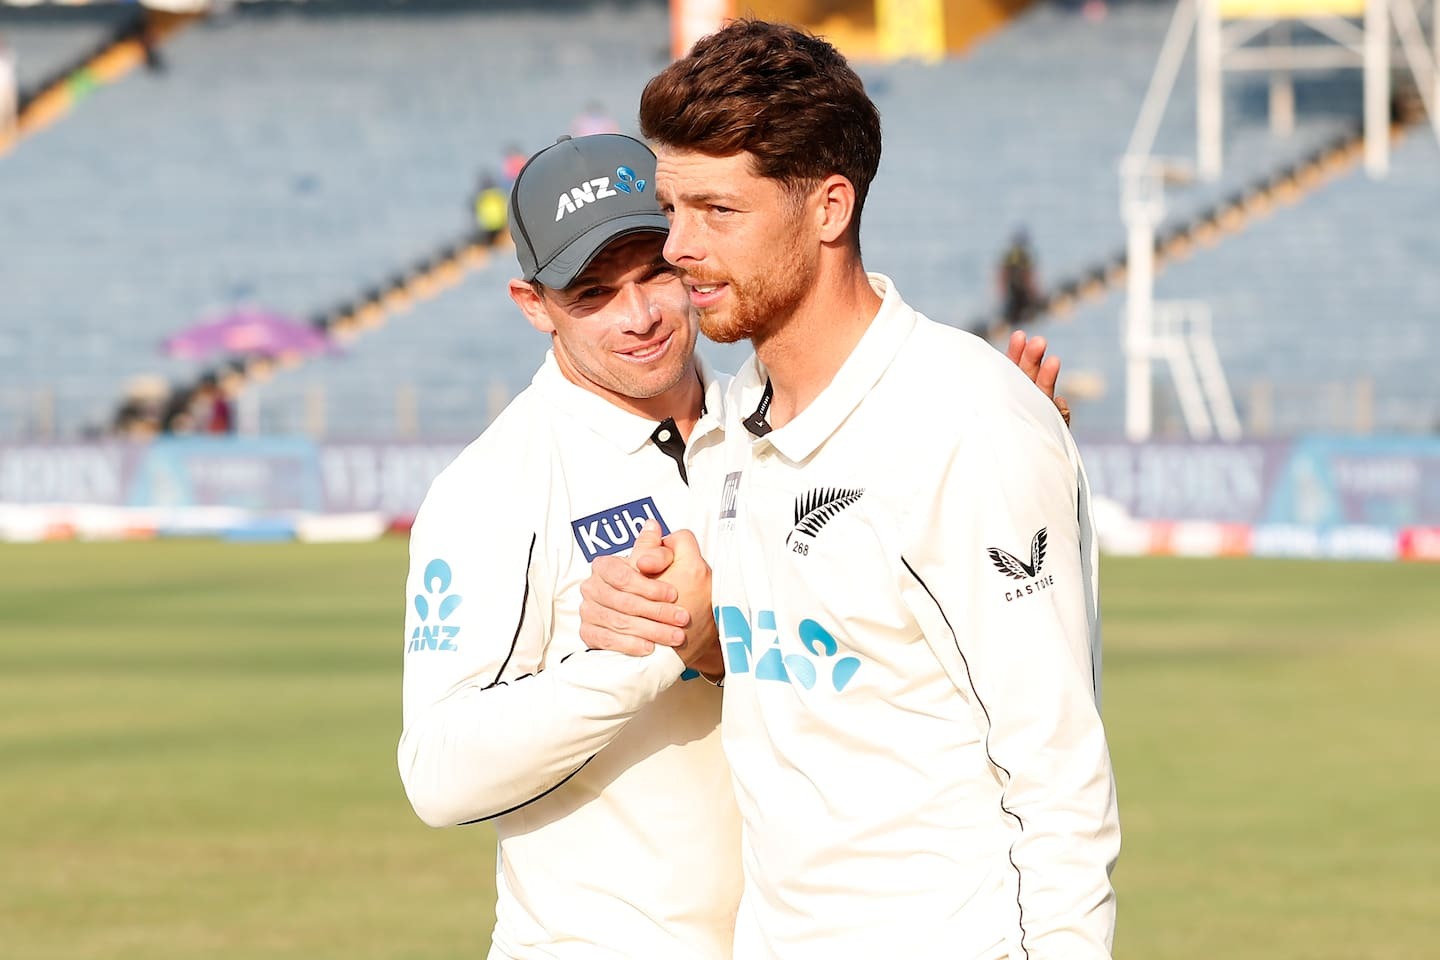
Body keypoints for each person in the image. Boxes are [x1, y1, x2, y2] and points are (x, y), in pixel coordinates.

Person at [397, 134, 1075, 959]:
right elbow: (437, 774)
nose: (640, 315)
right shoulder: (496, 485)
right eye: (593, 293)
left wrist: (983, 444)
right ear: (533, 305)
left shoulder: (769, 428)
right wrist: (640, 654)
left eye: (655, 271)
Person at [579, 19, 1118, 959]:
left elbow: (1058, 774)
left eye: (720, 212)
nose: (679, 247)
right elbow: (779, 668)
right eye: (673, 208)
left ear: (829, 208)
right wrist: (677, 624)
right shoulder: (734, 417)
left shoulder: (967, 427)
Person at [998, 227, 1042, 332]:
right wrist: (1034, 292)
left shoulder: (1010, 255)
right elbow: (1028, 275)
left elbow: (1003, 274)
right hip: (1021, 291)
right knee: (1024, 314)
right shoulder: (1024, 256)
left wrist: (1002, 290)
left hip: (1012, 290)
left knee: (1012, 314)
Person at [471, 172, 508, 244]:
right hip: (500, 226)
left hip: (487, 230)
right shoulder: (499, 194)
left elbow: (475, 215)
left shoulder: (480, 198)